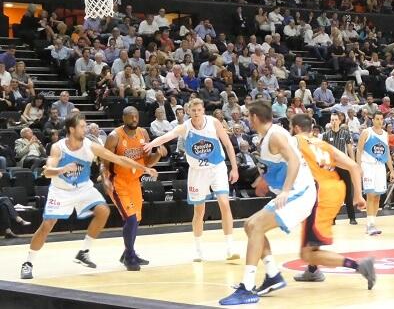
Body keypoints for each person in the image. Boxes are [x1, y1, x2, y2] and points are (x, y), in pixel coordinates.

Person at [21, 113, 158, 279]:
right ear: (72, 129)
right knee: (47, 225)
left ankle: (84, 251)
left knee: (103, 210)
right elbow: (48, 172)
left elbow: (118, 159)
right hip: (61, 190)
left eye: (85, 126)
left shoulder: (90, 145)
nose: (85, 129)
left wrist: (144, 169)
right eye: (82, 126)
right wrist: (62, 170)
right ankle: (28, 263)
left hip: (83, 188)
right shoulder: (58, 147)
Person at [218, 100, 316, 306]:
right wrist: (263, 180)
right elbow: (278, 164)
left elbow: (295, 161)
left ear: (254, 117)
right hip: (292, 191)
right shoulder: (268, 136)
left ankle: (246, 287)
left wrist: (286, 190)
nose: (246, 119)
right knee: (250, 225)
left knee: (257, 226)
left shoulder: (276, 135)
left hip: (300, 192)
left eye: (248, 116)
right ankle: (272, 274)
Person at [143, 98, 240, 261]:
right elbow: (168, 136)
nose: (196, 113)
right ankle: (198, 249)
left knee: (224, 203)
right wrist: (151, 143)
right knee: (199, 211)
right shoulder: (185, 127)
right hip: (197, 172)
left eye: (199, 110)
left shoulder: (214, 122)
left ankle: (230, 248)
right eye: (193, 111)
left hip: (217, 168)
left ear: (203, 111)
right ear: (189, 111)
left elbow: (228, 145)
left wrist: (235, 168)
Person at [289, 114, 376, 288]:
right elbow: (353, 166)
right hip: (335, 191)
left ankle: (359, 266)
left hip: (318, 194)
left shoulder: (296, 140)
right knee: (311, 239)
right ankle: (312, 271)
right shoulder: (323, 145)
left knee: (306, 253)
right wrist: (358, 195)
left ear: (296, 128)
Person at [101, 107, 167, 271]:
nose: (134, 119)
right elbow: (104, 162)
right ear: (123, 118)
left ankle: (128, 252)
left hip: (135, 182)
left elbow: (147, 162)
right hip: (118, 183)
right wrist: (105, 180)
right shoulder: (114, 137)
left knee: (136, 220)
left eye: (136, 116)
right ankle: (130, 256)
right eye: (130, 117)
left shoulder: (143, 134)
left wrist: (158, 154)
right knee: (130, 219)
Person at [356, 111, 394, 236]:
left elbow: (387, 153)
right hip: (367, 166)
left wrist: (392, 171)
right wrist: (359, 166)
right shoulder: (366, 132)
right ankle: (369, 224)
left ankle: (373, 223)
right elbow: (359, 150)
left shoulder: (385, 134)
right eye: (377, 119)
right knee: (370, 195)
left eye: (381, 119)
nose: (379, 121)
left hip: (380, 167)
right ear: (373, 120)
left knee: (377, 196)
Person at [321, 112, 358, 225]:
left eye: (335, 119)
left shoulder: (345, 133)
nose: (334, 122)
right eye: (332, 120)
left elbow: (350, 148)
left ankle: (352, 218)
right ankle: (332, 219)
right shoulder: (326, 135)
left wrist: (353, 163)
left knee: (348, 193)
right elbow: (324, 152)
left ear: (339, 121)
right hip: (332, 167)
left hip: (344, 166)